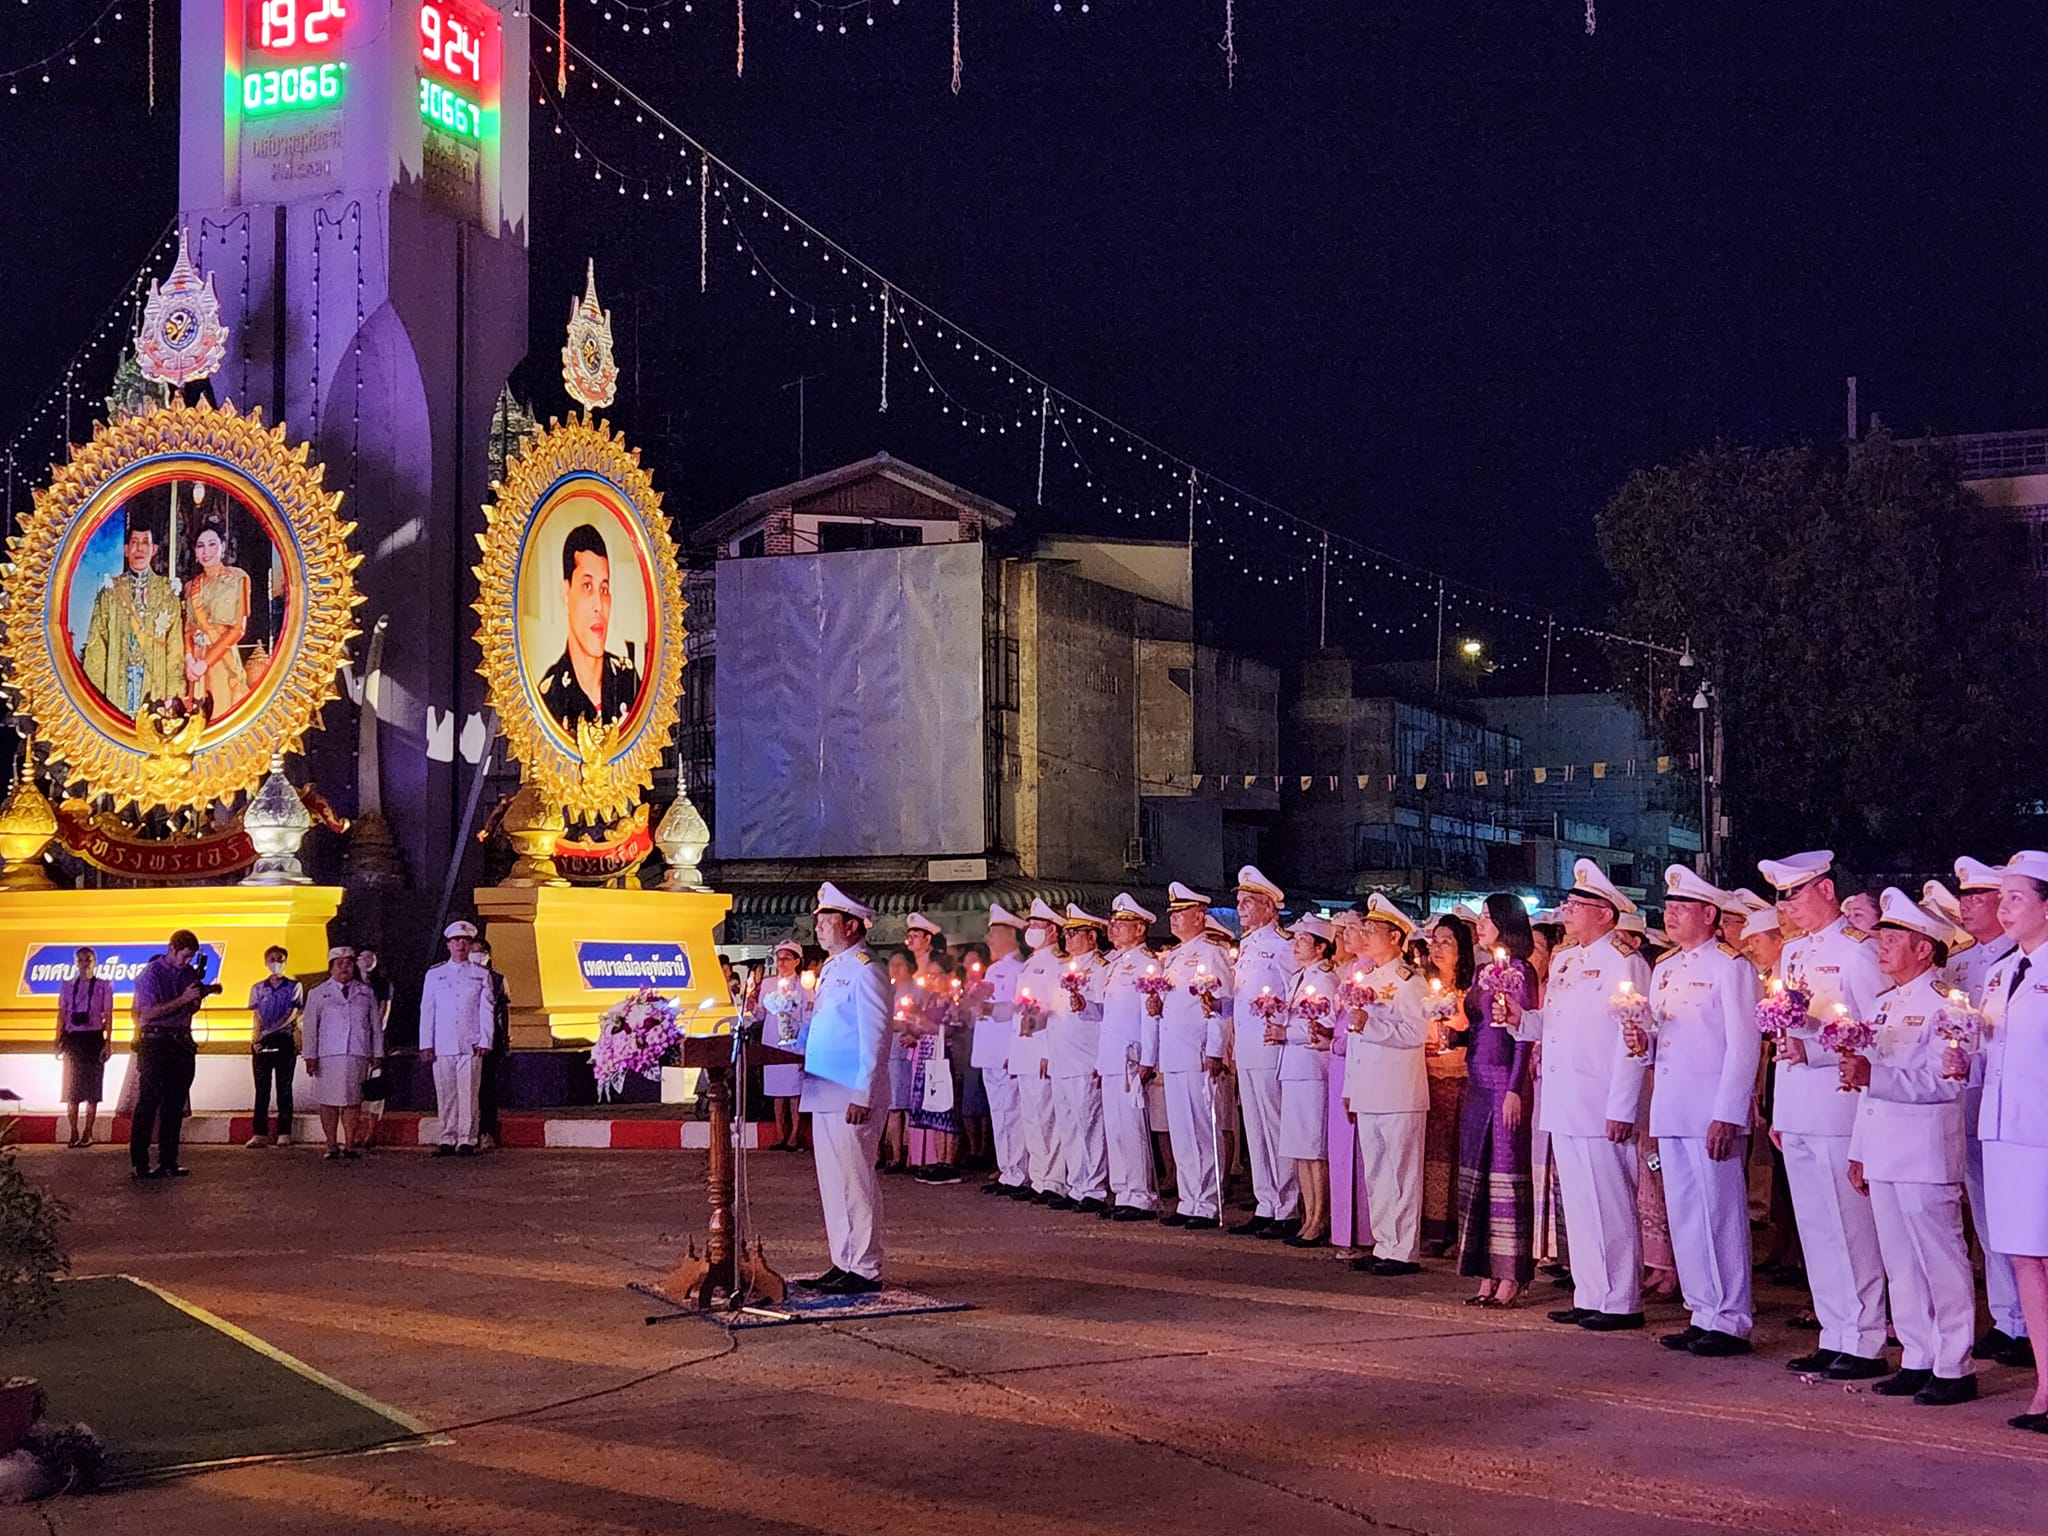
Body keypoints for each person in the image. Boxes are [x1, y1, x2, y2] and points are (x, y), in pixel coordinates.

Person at [1499, 860, 1652, 1332]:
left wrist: (1623, 1106)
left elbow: (1634, 1039)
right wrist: (1521, 1019)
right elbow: (1555, 1023)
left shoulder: (1625, 961)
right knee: (1581, 1206)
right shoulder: (1565, 959)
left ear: (1604, 914)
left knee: (1610, 1203)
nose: (1567, 911)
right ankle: (1590, 1293)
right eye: (1568, 903)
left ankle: (1621, 1300)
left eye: (1577, 904)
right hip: (1565, 1097)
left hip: (1600, 1099)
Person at [1838, 889, 1977, 1405]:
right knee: (1899, 1261)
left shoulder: (1945, 1005)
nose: (1883, 945)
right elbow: (1865, 1088)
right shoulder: (1882, 1005)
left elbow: (1946, 1083)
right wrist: (1859, 1149)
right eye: (1883, 936)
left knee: (1940, 1258)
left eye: (1895, 938)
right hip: (1884, 1148)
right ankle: (1918, 1355)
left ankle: (1955, 1363)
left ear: (1924, 948)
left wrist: (1876, 1077)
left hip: (1924, 1150)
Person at [1759, 849, 1891, 1380]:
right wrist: (1780, 1110)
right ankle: (1834, 1331)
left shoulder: (1857, 950)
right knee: (1815, 1226)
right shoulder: (1793, 953)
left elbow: (1873, 1033)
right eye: (1783, 898)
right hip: (1798, 1103)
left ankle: (1864, 1339)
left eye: (1796, 894)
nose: (1788, 906)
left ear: (1826, 890)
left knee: (1850, 1229)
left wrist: (1812, 1048)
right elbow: (1785, 1027)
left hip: (1839, 1104)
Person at [1636, 866, 1762, 1358]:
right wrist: (1639, 1040)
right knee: (1686, 1213)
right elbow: (1661, 1037)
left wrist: (1728, 1112)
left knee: (1720, 1214)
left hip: (1710, 1108)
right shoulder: (1665, 967)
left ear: (1709, 915)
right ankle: (1702, 1309)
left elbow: (1743, 1045)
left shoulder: (1731, 966)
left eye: (1681, 908)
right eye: (1668, 908)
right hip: (1672, 1105)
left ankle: (1730, 1317)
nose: (1670, 916)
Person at [1964, 852, 2048, 1433]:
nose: (2003, 907)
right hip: (2003, 1132)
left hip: (2042, 1131)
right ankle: (2045, 1385)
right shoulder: (1999, 973)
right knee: (2023, 1256)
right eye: (2001, 897)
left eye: (2016, 897)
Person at [1947, 856, 2031, 1369]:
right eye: (1969, 897)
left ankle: (2026, 1323)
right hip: (1980, 1103)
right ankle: (2007, 1317)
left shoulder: (2019, 960)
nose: (1973, 906)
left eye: (1985, 897)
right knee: (1990, 1214)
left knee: (2029, 1226)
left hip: (2026, 1113)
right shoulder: (1971, 965)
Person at [799, 882, 892, 1295]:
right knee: (833, 1181)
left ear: (852, 926)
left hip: (851, 1091)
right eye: (818, 920)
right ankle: (843, 1259)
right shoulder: (832, 968)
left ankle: (865, 1266)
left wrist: (863, 1094)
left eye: (827, 920)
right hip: (825, 1086)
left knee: (855, 1179)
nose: (819, 926)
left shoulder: (866, 969)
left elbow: (875, 1038)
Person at [1342, 893, 1432, 1276]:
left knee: (1401, 1172)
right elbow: (1354, 1038)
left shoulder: (1409, 982)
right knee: (1376, 1171)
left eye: (1373, 929)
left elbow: (1417, 1032)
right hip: (1370, 1088)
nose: (1365, 935)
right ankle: (1383, 1242)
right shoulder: (1367, 979)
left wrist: (1372, 1025)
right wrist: (1350, 1087)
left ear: (1395, 937)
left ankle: (1403, 1249)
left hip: (1399, 1090)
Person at [1458, 897, 1536, 1306]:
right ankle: (1484, 1271)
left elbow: (1523, 1036)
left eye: (1488, 918)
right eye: (1481, 917)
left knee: (1506, 1172)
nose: (1481, 924)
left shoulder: (1520, 971)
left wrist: (1514, 1088)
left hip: (1505, 1078)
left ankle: (1511, 1273)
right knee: (1479, 1174)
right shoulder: (1483, 971)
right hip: (1477, 1080)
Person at [1145, 882, 1233, 1231]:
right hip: (1174, 1053)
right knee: (1182, 1132)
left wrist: (1215, 1050)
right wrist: (1157, 1006)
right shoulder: (1174, 957)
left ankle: (1207, 1202)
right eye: (1173, 914)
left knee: (1200, 1130)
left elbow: (1220, 1006)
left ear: (1199, 916)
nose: (1175, 919)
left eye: (1181, 913)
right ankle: (1189, 1199)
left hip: (1196, 1051)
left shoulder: (1210, 954)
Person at [1231, 865, 1301, 1237]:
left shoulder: (1282, 946)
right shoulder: (1247, 946)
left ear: (1269, 907)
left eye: (1248, 902)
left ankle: (1286, 1206)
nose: (1240, 909)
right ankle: (1266, 1202)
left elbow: (1295, 994)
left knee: (1275, 1125)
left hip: (1270, 1045)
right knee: (1255, 1128)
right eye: (1240, 902)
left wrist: (1282, 1022)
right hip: (1246, 1048)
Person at [129, 930, 217, 1179]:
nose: (186, 962)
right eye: (184, 956)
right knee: (149, 1102)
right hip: (156, 1042)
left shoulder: (188, 973)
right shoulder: (151, 974)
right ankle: (140, 1162)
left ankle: (168, 1160)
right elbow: (148, 1013)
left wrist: (196, 999)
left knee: (175, 1103)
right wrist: (183, 998)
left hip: (181, 1041)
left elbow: (189, 1007)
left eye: (190, 958)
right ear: (171, 949)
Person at [1095, 894, 1161, 1221]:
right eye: (1114, 922)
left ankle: (1140, 1194)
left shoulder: (1147, 964)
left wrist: (1148, 1059)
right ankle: (1122, 1190)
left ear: (1139, 929)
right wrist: (1099, 1060)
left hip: (1130, 1057)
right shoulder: (1115, 964)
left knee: (1132, 1127)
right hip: (1112, 1057)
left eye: (1122, 923)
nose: (1114, 928)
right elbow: (1108, 1019)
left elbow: (1150, 1016)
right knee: (1115, 1128)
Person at [539, 521, 640, 731]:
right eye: (587, 586)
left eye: (604, 589)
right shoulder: (552, 696)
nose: (599, 606)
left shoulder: (627, 681)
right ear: (566, 594)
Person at [79, 517, 182, 715]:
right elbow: (96, 646)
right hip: (117, 687)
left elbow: (175, 647)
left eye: (145, 542)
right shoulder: (110, 593)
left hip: (155, 686)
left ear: (154, 550)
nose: (139, 548)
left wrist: (172, 694)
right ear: (126, 550)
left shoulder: (167, 593)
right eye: (134, 542)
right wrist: (95, 695)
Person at [1278, 914, 1338, 1245]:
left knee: (1315, 1148)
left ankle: (1320, 1218)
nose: (1296, 944)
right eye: (1296, 938)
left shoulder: (1325, 979)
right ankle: (1308, 1215)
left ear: (1320, 947)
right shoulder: (1299, 977)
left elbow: (1325, 1024)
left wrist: (1286, 1032)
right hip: (1294, 1067)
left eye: (1304, 940)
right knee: (1299, 1148)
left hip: (1313, 1068)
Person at [1051, 904, 1113, 1214]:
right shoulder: (1063, 968)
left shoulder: (1101, 969)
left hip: (1086, 1057)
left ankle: (1094, 1187)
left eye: (1074, 932)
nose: (1068, 938)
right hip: (1062, 1058)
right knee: (1068, 1126)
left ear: (1092, 936)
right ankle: (1076, 1184)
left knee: (1089, 1125)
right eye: (1066, 933)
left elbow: (1106, 1015)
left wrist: (1101, 1059)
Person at [1421, 914, 1474, 1255]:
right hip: (1427, 1076)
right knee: (1432, 1155)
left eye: (1447, 942)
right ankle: (1433, 1229)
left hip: (1461, 1077)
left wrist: (1453, 1030)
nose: (1438, 948)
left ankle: (1459, 1232)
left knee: (1457, 1155)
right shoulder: (1423, 984)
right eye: (1435, 941)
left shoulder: (1470, 989)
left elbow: (1475, 1031)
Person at [301, 946, 385, 1161]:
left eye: (348, 963)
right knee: (328, 1101)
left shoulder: (366, 992)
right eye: (339, 964)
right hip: (327, 1055)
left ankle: (349, 1144)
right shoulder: (318, 993)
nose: (344, 967)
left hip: (357, 1052)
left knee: (353, 1101)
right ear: (331, 968)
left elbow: (375, 1025)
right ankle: (331, 1144)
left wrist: (378, 1053)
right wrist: (310, 1055)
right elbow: (310, 1027)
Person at [1011, 900, 1070, 1205]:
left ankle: (1054, 1180)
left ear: (1053, 930)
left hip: (1043, 1047)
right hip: (1025, 1047)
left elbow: (1056, 1011)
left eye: (1037, 925)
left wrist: (1048, 1050)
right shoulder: (1031, 962)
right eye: (1031, 925)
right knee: (1031, 1119)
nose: (1031, 930)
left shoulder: (1058, 964)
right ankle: (1037, 1177)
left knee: (1048, 1117)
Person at [419, 920, 493, 1156]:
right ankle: (447, 1137)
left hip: (470, 1042)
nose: (460, 945)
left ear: (470, 945)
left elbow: (486, 1009)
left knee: (468, 1092)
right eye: (456, 941)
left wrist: (485, 1039)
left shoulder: (481, 974)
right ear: (448, 945)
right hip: (443, 1042)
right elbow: (427, 1010)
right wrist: (426, 1043)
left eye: (465, 941)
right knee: (446, 1092)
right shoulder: (435, 974)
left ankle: (467, 1138)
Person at [974, 905, 1031, 1197]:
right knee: (999, 1113)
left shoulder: (1020, 969)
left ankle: (1020, 1172)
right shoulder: (993, 969)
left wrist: (990, 1008)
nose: (989, 939)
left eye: (994, 933)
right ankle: (1007, 1169)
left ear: (1011, 934)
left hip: (1006, 1051)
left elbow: (1020, 1010)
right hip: (989, 1051)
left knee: (1013, 1113)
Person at [903, 915, 961, 1183]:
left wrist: (924, 1023)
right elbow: (923, 1026)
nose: (933, 979)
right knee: (933, 1108)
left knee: (947, 1109)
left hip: (946, 1058)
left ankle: (949, 1161)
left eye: (937, 975)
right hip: (927, 1056)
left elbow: (952, 1028)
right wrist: (911, 1033)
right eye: (931, 975)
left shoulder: (954, 1000)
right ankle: (936, 1160)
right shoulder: (931, 999)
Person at [1328, 908, 1373, 1250]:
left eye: (1354, 928)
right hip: (1339, 1060)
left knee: (1360, 1149)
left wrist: (1339, 1040)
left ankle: (1363, 1232)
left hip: (1356, 1061)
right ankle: (1344, 1230)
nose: (1346, 934)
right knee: (1342, 1148)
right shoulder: (1349, 970)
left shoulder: (1371, 971)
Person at [182, 520, 250, 719]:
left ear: (223, 546)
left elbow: (238, 630)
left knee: (221, 714)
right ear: (195, 552)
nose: (206, 551)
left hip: (222, 660)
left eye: (212, 544)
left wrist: (206, 663)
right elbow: (188, 629)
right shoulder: (190, 586)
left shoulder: (237, 578)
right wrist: (189, 659)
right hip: (195, 663)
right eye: (200, 546)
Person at [756, 938, 814, 1152]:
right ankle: (780, 1134)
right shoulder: (768, 984)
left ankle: (794, 1135)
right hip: (772, 1041)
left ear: (797, 961)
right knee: (776, 1091)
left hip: (793, 1043)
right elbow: (761, 1015)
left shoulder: (804, 986)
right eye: (779, 958)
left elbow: (807, 1018)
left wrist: (803, 1050)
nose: (781, 962)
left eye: (786, 958)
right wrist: (753, 1007)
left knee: (793, 1091)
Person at [52, 948, 113, 1149]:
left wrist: (108, 1043)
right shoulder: (68, 986)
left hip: (94, 1039)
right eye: (80, 960)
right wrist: (57, 1040)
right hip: (73, 1039)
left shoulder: (103, 985)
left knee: (93, 1088)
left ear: (94, 962)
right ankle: (73, 1132)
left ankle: (88, 1132)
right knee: (72, 1088)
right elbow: (62, 1013)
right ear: (75, 963)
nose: (84, 963)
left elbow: (108, 1015)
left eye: (88, 959)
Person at [246, 945, 303, 1148]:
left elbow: (293, 1013)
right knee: (262, 1089)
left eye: (280, 959)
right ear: (265, 962)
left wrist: (272, 1030)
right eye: (272, 959)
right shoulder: (258, 988)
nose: (276, 963)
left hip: (284, 1040)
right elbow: (256, 1015)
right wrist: (257, 1038)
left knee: (284, 1088)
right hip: (262, 1041)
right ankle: (259, 1133)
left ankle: (284, 1132)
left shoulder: (294, 986)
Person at [351, 945, 395, 1151]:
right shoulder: (350, 983)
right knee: (354, 1088)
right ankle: (354, 1133)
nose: (367, 960)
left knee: (375, 1087)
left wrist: (374, 1038)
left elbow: (383, 1013)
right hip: (353, 1042)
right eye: (363, 956)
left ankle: (370, 1133)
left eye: (372, 957)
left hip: (376, 1041)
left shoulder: (383, 984)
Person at [472, 941, 513, 1150]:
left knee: (487, 1087)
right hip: (466, 1041)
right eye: (472, 951)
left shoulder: (497, 979)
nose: (475, 955)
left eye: (480, 951)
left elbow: (503, 1012)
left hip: (490, 1042)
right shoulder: (458, 977)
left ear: (488, 955)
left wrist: (505, 1039)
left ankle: (487, 1131)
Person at [880, 949, 917, 1173]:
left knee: (911, 1104)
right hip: (893, 1049)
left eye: (899, 964)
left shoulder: (918, 990)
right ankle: (895, 1155)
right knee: (894, 1104)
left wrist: (911, 1024)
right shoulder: (887, 992)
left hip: (913, 1049)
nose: (894, 969)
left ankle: (913, 1153)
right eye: (892, 964)